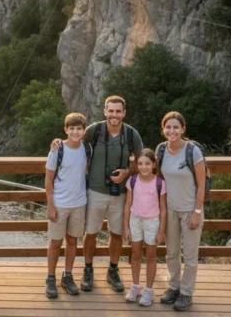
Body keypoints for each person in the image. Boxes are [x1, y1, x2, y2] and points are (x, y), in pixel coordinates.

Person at [51, 95, 143, 293]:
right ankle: (88, 270)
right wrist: (57, 142)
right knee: (90, 232)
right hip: (94, 191)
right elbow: (74, 139)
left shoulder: (131, 134)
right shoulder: (95, 130)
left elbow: (142, 162)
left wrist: (128, 171)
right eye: (111, 111)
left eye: (118, 111)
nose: (114, 115)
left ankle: (113, 270)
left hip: (119, 193)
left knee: (116, 233)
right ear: (105, 111)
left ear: (124, 113)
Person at [156, 111, 207, 312]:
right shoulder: (161, 150)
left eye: (176, 127)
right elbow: (157, 178)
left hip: (189, 210)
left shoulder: (192, 151)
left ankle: (186, 293)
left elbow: (201, 185)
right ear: (163, 129)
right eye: (168, 127)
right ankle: (174, 287)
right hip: (169, 210)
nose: (172, 131)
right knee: (171, 252)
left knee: (191, 255)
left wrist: (196, 211)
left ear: (183, 129)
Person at [44, 113, 90, 298]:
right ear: (66, 130)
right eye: (71, 128)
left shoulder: (87, 149)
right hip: (60, 203)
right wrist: (50, 205)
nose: (75, 132)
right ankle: (50, 277)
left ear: (84, 131)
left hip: (79, 203)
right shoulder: (57, 150)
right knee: (55, 242)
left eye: (79, 129)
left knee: (72, 241)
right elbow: (48, 179)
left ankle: (68, 275)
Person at [123, 149, 167, 307]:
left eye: (147, 163)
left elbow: (163, 208)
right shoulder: (132, 181)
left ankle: (149, 289)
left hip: (152, 222)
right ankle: (135, 286)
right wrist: (125, 227)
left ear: (153, 164)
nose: (144, 167)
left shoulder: (159, 182)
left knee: (150, 256)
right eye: (140, 163)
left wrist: (161, 230)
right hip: (135, 220)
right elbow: (128, 204)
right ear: (136, 165)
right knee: (135, 254)